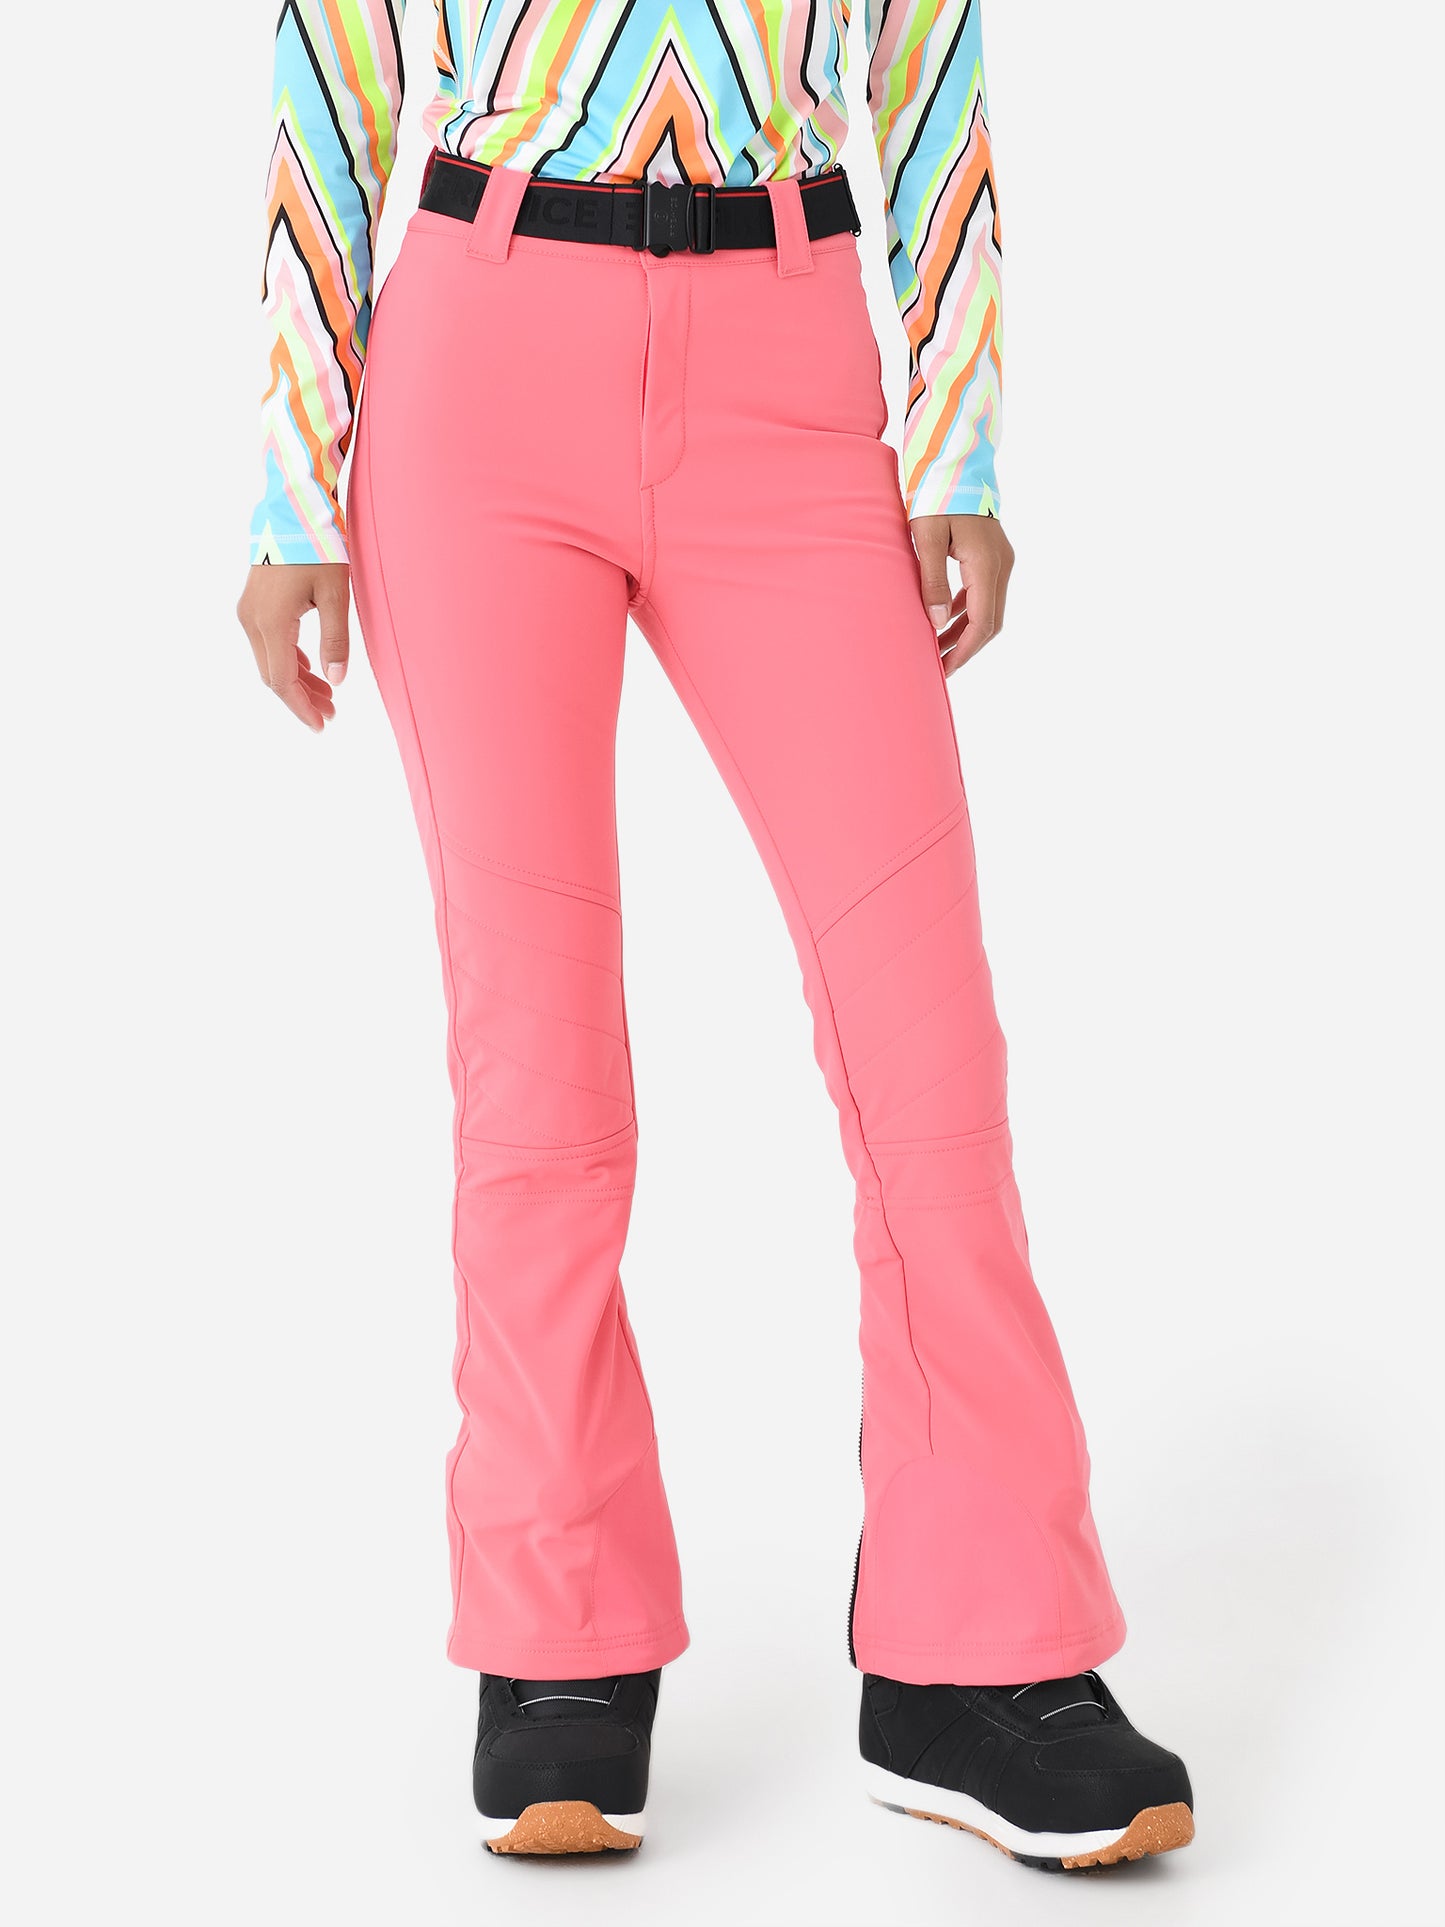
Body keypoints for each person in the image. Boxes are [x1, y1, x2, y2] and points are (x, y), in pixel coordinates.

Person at [235, 0, 1194, 1872]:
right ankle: (556, 1632)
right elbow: (330, 80)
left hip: (791, 357)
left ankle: (977, 1655)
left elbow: (929, 75)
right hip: (478, 366)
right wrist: (292, 482)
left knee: (925, 1057)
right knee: (538, 1068)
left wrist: (958, 451)